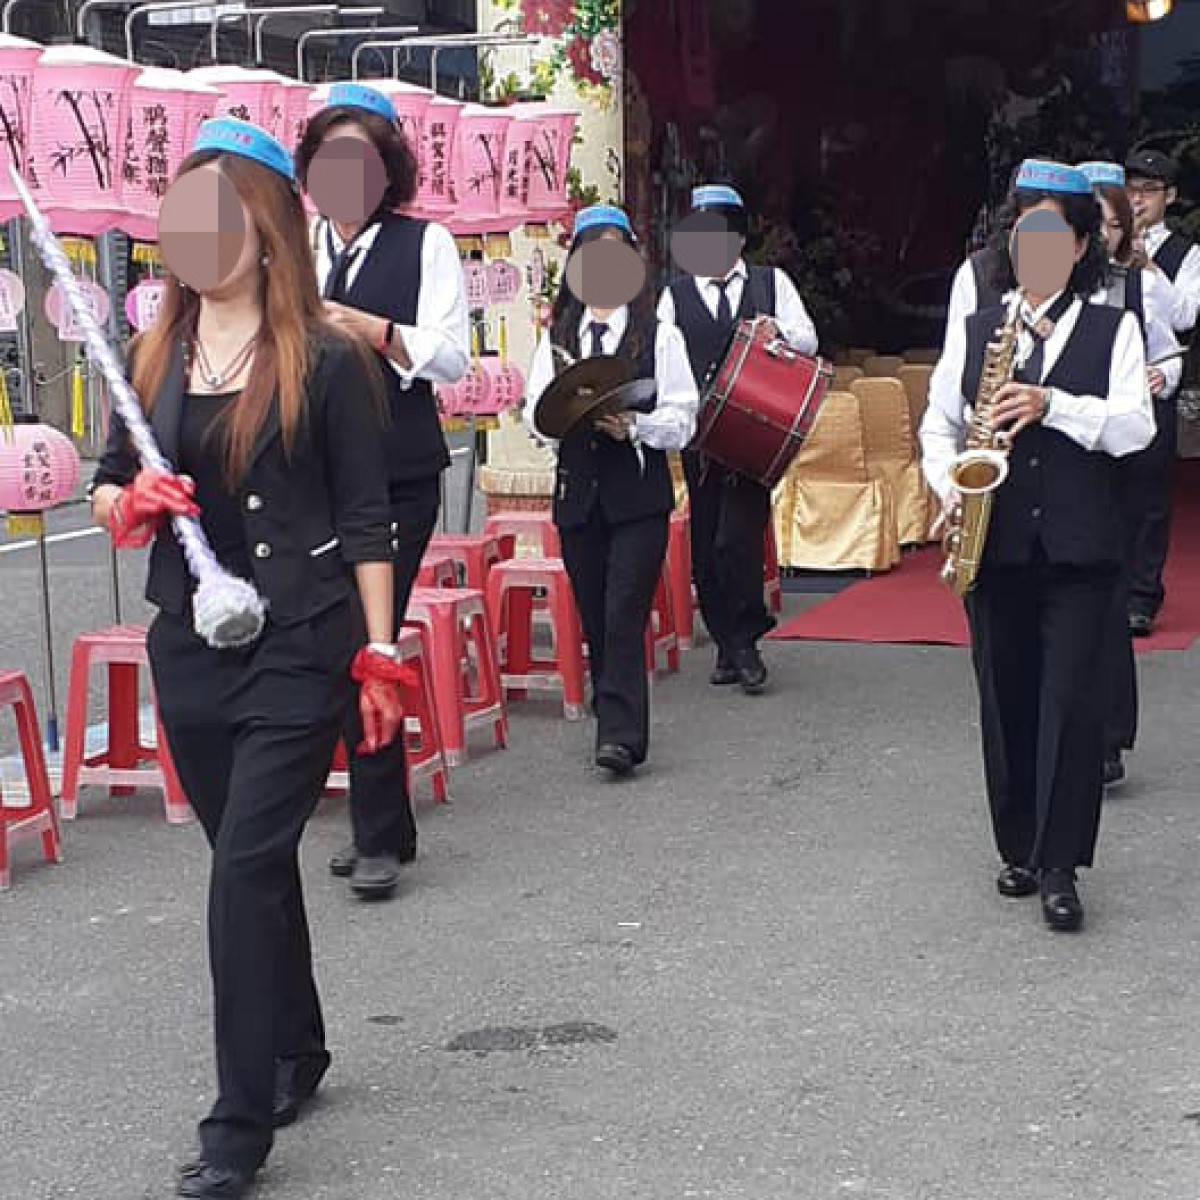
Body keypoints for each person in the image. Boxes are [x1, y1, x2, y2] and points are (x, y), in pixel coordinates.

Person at [90, 118, 408, 1199]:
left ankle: (237, 1127)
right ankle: (299, 1045)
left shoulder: (327, 358)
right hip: (191, 649)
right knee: (251, 861)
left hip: (301, 641)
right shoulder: (146, 359)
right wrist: (130, 500)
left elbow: (369, 520)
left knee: (237, 874)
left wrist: (379, 652)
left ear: (267, 229)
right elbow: (102, 484)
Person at [921, 159, 1155, 933]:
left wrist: (1055, 403)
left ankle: (1061, 865)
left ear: (1084, 245)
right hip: (996, 543)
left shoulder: (1114, 327)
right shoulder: (978, 328)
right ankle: (1017, 847)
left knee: (1070, 705)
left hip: (1082, 548)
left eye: (1056, 238)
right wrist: (950, 484)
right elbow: (938, 423)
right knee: (1006, 697)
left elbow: (1134, 428)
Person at [296, 82, 470, 900]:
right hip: (316, 473)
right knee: (335, 639)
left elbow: (450, 357)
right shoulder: (294, 243)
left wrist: (368, 327)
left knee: (367, 639)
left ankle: (373, 836)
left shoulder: (424, 244)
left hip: (398, 476)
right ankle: (387, 822)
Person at [525, 203, 698, 776]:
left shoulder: (660, 334)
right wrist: (565, 423)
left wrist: (637, 427)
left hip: (638, 497)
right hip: (578, 495)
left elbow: (683, 416)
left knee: (625, 610)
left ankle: (621, 736)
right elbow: (534, 412)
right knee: (596, 612)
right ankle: (611, 704)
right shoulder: (557, 335)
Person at [657, 184, 817, 693]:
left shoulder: (773, 284)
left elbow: (809, 339)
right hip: (701, 435)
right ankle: (727, 644)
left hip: (754, 431)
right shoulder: (674, 295)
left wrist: (780, 335)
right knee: (705, 541)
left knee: (738, 537)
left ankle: (746, 641)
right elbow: (660, 354)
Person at [1081, 162, 1183, 785]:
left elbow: (1171, 352)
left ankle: (1109, 737)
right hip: (1063, 460)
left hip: (1123, 445)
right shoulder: (1038, 287)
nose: (1101, 234)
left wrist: (1158, 376)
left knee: (1106, 586)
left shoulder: (1144, 286)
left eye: (1110, 224)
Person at [1121, 148, 1199, 634]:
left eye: (1148, 191)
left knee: (1149, 493)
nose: (1137, 199)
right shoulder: (1105, 240)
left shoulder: (1187, 253)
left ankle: (1141, 595)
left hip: (1156, 379)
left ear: (1169, 197)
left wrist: (1150, 269)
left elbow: (1186, 316)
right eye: (1131, 189)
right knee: (1106, 487)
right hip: (1106, 380)